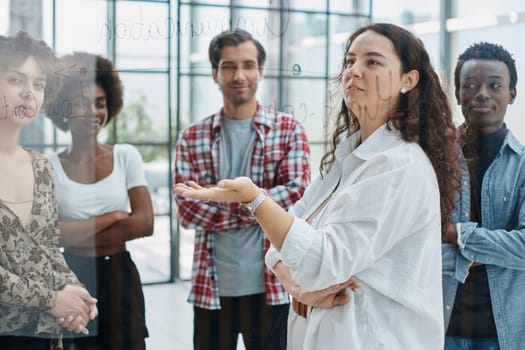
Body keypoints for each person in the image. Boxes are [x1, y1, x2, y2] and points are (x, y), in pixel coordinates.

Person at [175, 23, 461, 349]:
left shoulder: (399, 164)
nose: (353, 71)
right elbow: (278, 246)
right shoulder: (347, 157)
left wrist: (254, 199)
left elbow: (320, 260)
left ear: (409, 80)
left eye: (372, 62)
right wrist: (299, 287)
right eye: (350, 61)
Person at [173, 28, 311, 350]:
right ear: (214, 73)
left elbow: (298, 197)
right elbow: (188, 211)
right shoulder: (191, 137)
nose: (239, 75)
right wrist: (261, 204)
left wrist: (214, 197)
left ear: (260, 71)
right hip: (212, 289)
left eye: (248, 65)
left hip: (273, 287)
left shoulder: (288, 130)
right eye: (229, 66)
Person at [45, 52, 154, 350]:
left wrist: (76, 229)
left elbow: (144, 224)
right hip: (72, 276)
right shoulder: (48, 166)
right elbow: (50, 234)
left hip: (120, 274)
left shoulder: (125, 156)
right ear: (64, 108)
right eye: (80, 102)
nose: (92, 111)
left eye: (100, 103)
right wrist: (114, 217)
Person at [0, 32, 97, 350]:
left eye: (39, 85)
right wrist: (54, 299)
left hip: (38, 334)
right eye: (16, 79)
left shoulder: (41, 167)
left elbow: (46, 250)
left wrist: (76, 292)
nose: (29, 93)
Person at [442, 42, 525, 350]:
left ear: (512, 94)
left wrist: (454, 234)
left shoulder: (524, 166)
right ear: (457, 93)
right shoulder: (433, 161)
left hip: (503, 333)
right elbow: (415, 244)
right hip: (438, 326)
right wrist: (493, 250)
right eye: (470, 85)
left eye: (494, 85)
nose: (482, 93)